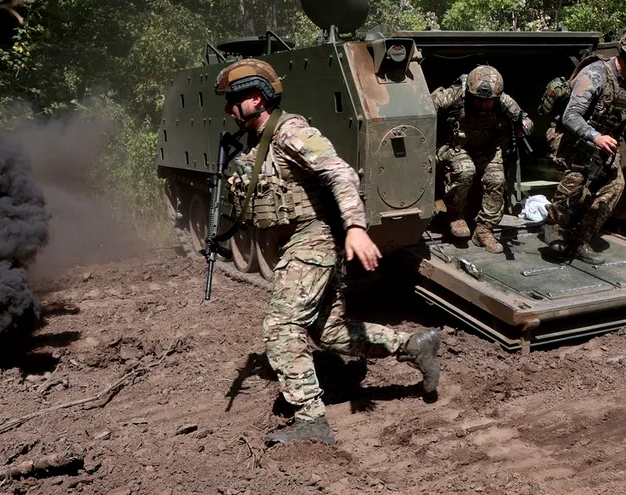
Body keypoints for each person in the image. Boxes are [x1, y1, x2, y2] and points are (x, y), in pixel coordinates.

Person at [214, 58, 442, 446]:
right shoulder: (264, 142)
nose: (228, 110)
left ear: (255, 98)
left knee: (282, 328)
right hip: (308, 242)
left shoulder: (290, 132)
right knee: (329, 331)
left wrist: (355, 227)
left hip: (314, 240)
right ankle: (411, 345)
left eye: (232, 101)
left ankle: (311, 420)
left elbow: (341, 172)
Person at [539, 28, 626, 263]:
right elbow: (571, 116)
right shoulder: (595, 73)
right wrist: (596, 136)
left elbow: (622, 112)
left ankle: (581, 239)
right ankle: (554, 224)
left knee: (615, 184)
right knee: (577, 179)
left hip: (599, 143)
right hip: (569, 138)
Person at [431, 65, 533, 253]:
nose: (484, 105)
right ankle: (456, 215)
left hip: (486, 150)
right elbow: (425, 111)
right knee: (465, 169)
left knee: (497, 180)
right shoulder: (454, 95)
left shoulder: (504, 101)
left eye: (489, 101)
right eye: (479, 100)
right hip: (455, 147)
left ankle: (484, 230)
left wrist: (524, 126)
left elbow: (525, 119)